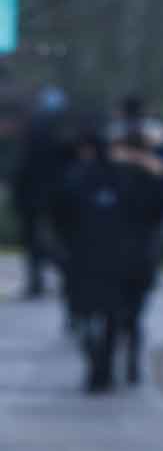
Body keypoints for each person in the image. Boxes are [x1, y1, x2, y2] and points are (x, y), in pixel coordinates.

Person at [61, 117, 163, 391]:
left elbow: (156, 211)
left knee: (119, 313)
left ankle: (112, 363)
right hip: (110, 257)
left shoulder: (142, 175)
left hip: (123, 258)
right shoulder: (96, 175)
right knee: (111, 314)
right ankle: (108, 363)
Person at [11, 85, 71, 298]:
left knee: (35, 240)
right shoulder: (62, 130)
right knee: (48, 239)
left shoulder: (37, 128)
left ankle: (41, 281)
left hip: (34, 194)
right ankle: (61, 275)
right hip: (54, 194)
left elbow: (25, 165)